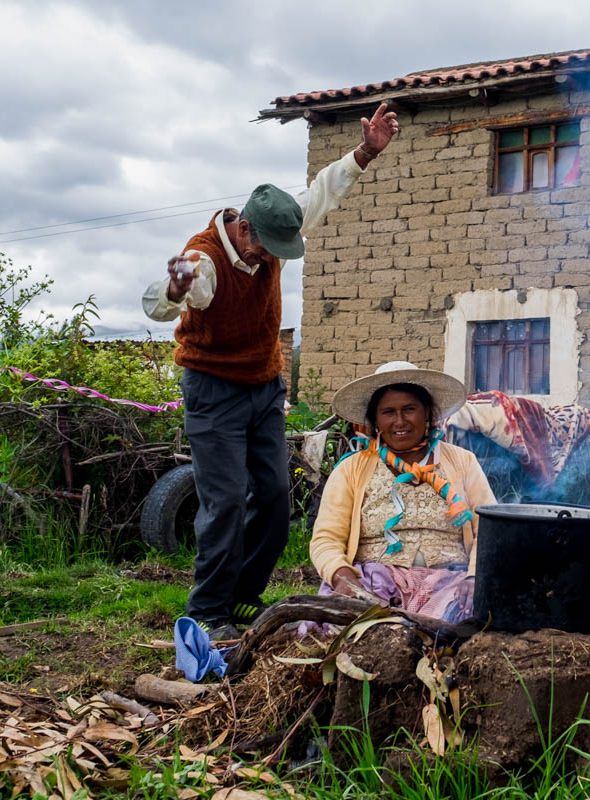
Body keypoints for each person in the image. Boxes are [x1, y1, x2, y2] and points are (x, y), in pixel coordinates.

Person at [142, 103, 401, 642]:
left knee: (277, 494)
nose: (269, 260)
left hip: (263, 383)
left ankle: (243, 594)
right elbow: (160, 305)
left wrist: (367, 152)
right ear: (243, 229)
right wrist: (175, 289)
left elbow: (322, 191)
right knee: (226, 498)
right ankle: (209, 607)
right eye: (263, 249)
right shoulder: (202, 257)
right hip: (213, 388)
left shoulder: (275, 228)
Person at [308, 362, 497, 624]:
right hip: (372, 581)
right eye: (388, 412)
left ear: (427, 413)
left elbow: (488, 529)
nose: (400, 421)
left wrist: (474, 577)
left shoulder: (462, 462)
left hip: (449, 583)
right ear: (375, 420)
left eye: (409, 409)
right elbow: (326, 539)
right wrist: (343, 577)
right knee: (349, 633)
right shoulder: (352, 469)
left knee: (461, 628)